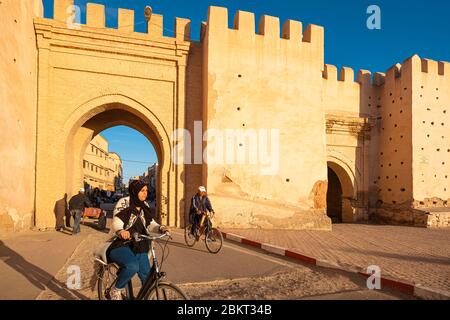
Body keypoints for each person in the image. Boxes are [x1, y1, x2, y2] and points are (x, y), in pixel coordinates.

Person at [107, 180, 169, 300]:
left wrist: (160, 228)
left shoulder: (144, 205)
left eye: (146, 190)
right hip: (122, 243)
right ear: (135, 191)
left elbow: (151, 223)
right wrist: (121, 231)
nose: (145, 193)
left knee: (147, 278)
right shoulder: (124, 202)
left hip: (139, 245)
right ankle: (116, 290)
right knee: (132, 266)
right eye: (142, 191)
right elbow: (116, 222)